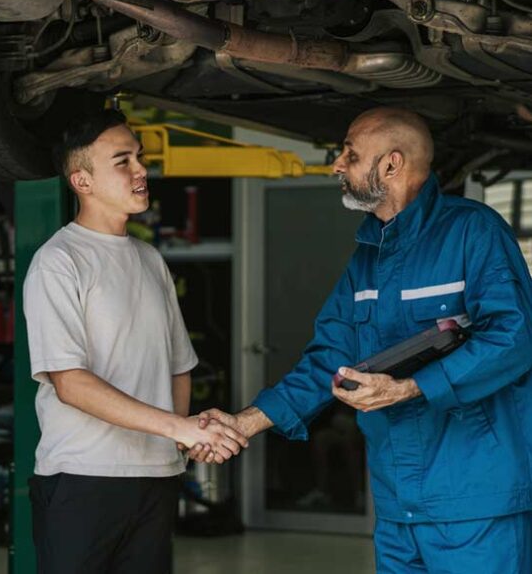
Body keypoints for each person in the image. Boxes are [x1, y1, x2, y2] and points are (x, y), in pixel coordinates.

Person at [197, 107, 532, 572]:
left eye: (350, 155)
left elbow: (514, 336)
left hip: (473, 501)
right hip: (397, 506)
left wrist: (411, 388)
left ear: (391, 164)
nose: (337, 164)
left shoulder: (471, 231)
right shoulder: (369, 257)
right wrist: (243, 423)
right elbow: (329, 359)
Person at [24, 110, 248, 574]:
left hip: (156, 477)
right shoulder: (58, 262)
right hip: (82, 479)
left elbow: (178, 366)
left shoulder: (150, 260)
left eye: (139, 157)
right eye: (122, 160)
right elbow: (70, 382)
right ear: (82, 180)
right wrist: (177, 429)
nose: (141, 170)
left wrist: (181, 441)